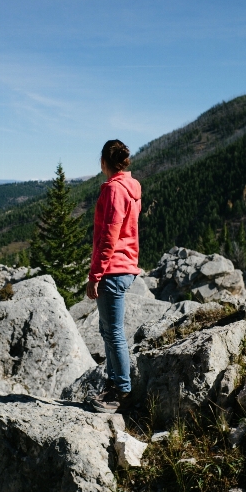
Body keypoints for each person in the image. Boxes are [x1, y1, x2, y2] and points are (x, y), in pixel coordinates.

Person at [86, 139, 142, 413]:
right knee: (108, 331)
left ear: (103, 163)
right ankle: (113, 385)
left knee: (114, 333)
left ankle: (119, 391)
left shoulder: (113, 191)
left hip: (112, 269)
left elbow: (109, 237)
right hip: (127, 265)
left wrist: (95, 275)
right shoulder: (132, 188)